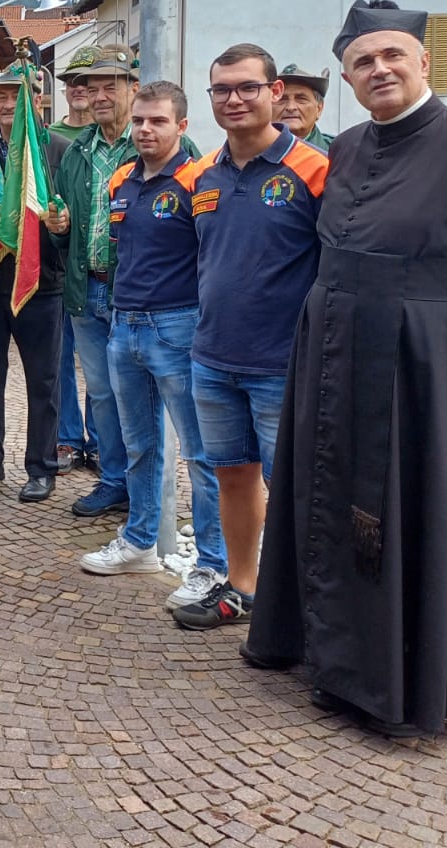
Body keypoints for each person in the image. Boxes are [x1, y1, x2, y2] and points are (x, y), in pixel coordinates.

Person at [246, 0, 447, 738]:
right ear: (346, 78)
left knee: (404, 513)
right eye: (362, 62)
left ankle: (393, 682)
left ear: (423, 63)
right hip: (338, 353)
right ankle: (332, 658)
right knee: (328, 497)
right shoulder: (345, 148)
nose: (378, 70)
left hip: (422, 373)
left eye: (391, 57)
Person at [170, 43, 327, 632]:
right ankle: (242, 589)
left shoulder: (313, 171)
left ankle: (305, 608)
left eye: (247, 88)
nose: (234, 99)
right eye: (222, 90)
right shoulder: (202, 174)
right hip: (212, 359)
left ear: (275, 92)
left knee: (295, 486)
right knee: (232, 474)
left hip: (282, 363)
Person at [78, 81, 228, 611]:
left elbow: (215, 258)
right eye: (140, 120)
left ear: (181, 127)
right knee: (138, 443)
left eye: (158, 121)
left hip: (178, 326)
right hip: (125, 325)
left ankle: (213, 564)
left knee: (202, 453)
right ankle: (140, 541)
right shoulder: (121, 180)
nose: (146, 129)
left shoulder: (199, 180)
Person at [0, 67, 68, 503]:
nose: (7, 104)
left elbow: (66, 216)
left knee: (43, 382)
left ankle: (41, 467)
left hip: (40, 283)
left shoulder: (57, 150)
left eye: (15, 95)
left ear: (36, 101)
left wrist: (60, 223)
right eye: (0, 96)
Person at [48, 46, 145, 518]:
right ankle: (113, 481)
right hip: (89, 290)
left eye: (112, 86)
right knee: (103, 392)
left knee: (142, 392)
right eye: (94, 87)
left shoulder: (152, 140)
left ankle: (148, 490)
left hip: (141, 295)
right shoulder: (77, 151)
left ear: (134, 89)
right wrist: (61, 229)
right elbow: (64, 223)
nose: (101, 96)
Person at [48, 50, 100, 475]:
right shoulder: (48, 138)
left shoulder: (110, 141)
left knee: (99, 365)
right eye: (72, 81)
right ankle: (67, 439)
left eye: (89, 81)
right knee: (62, 359)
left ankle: (98, 441)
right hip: (59, 269)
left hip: (99, 272)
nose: (79, 88)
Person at [275, 63, 333, 151]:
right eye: (282, 99)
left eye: (301, 99)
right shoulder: (251, 151)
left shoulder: (339, 152)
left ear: (319, 108)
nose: (291, 107)